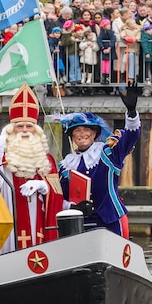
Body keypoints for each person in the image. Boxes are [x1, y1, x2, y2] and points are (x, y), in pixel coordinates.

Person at [0, 84, 65, 281]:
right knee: (8, 264)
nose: (25, 131)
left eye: (29, 126)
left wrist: (43, 187)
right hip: (8, 224)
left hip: (38, 226)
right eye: (20, 126)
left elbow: (57, 196)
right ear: (11, 128)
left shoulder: (47, 159)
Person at [57, 86, 140, 237]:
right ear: (72, 136)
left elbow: (130, 138)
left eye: (86, 130)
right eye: (77, 131)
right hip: (79, 224)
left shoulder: (107, 154)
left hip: (110, 221)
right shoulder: (65, 166)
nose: (82, 134)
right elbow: (59, 198)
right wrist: (73, 206)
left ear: (94, 133)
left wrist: (132, 113)